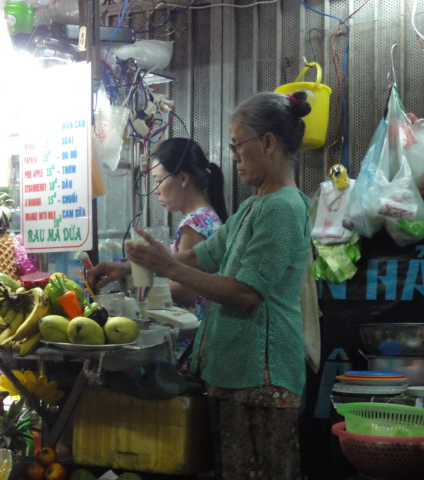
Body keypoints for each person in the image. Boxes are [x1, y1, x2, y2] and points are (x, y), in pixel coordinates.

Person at [89, 90, 312, 479]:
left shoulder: (282, 208)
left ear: (268, 143)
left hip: (261, 379)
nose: (233, 156)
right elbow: (200, 257)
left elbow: (246, 294)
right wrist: (126, 267)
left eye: (237, 145)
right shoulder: (254, 206)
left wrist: (166, 268)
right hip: (235, 375)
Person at [149, 138, 227, 320]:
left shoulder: (194, 223)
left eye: (158, 181)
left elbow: (186, 291)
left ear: (183, 178)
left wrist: (139, 290)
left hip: (193, 329)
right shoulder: (207, 216)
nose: (155, 190)